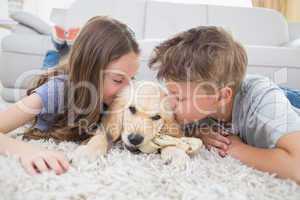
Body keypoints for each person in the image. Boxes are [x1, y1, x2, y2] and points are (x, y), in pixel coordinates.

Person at [149, 26, 300, 183]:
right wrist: (197, 134)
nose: (169, 104)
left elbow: (297, 167)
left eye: (179, 98)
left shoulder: (262, 99)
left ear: (221, 96)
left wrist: (237, 149)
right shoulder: (200, 106)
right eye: (169, 93)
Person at [0, 16, 140, 175]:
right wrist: (25, 150)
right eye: (118, 80)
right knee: (50, 64)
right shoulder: (55, 90)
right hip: (64, 77)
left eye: (132, 78)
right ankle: (59, 46)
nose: (128, 90)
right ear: (91, 72)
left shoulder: (118, 99)